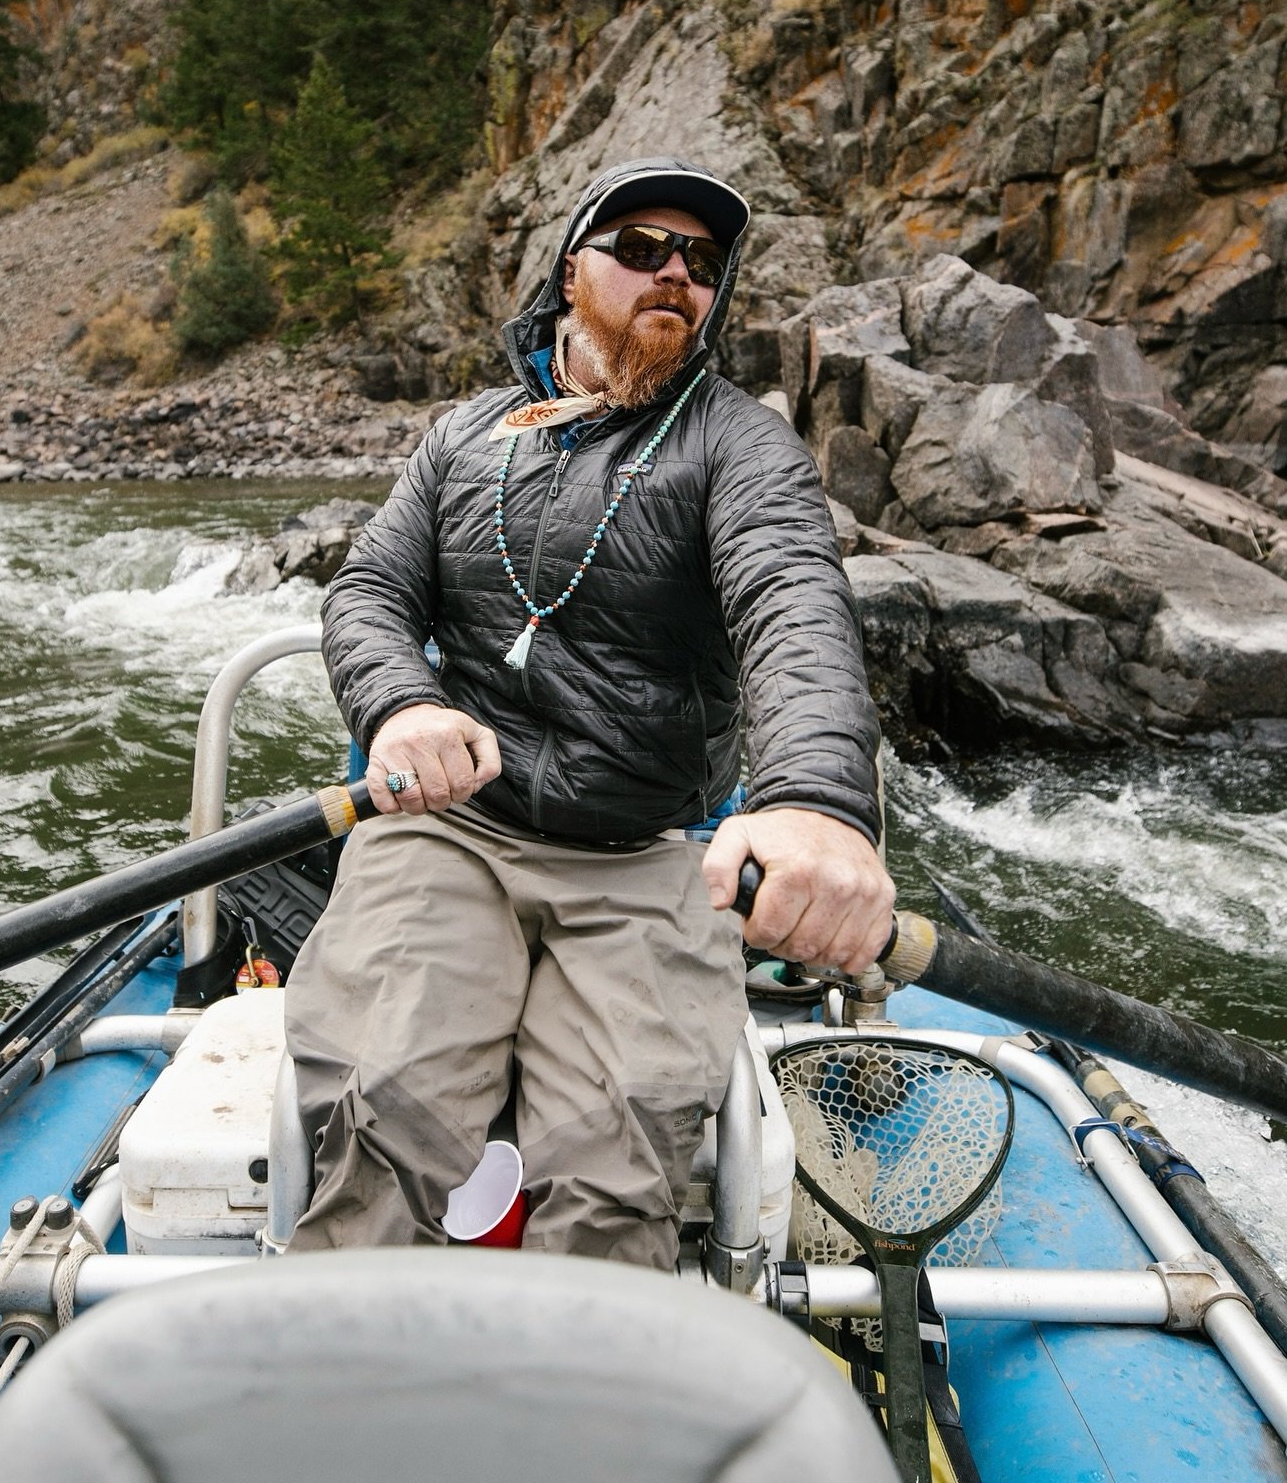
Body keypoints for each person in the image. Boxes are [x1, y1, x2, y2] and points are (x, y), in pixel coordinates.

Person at [285, 155, 893, 1269]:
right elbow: (367, 590)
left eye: (702, 262)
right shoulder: (461, 439)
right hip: (451, 830)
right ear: (573, 273)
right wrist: (402, 706)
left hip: (647, 852)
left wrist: (813, 801)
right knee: (388, 1099)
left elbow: (794, 602)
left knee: (619, 1162)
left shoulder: (740, 444)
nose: (677, 273)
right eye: (643, 249)